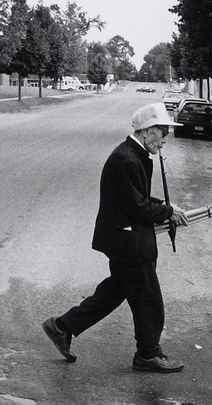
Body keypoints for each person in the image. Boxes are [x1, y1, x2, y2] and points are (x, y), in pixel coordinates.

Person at [42, 102, 189, 373]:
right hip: (128, 243)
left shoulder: (135, 155)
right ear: (146, 131)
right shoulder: (128, 160)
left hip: (125, 239)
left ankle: (62, 327)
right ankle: (147, 355)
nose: (166, 138)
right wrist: (166, 212)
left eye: (167, 132)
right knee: (148, 300)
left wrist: (169, 210)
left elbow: (138, 199)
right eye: (162, 131)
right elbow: (138, 207)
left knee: (114, 292)